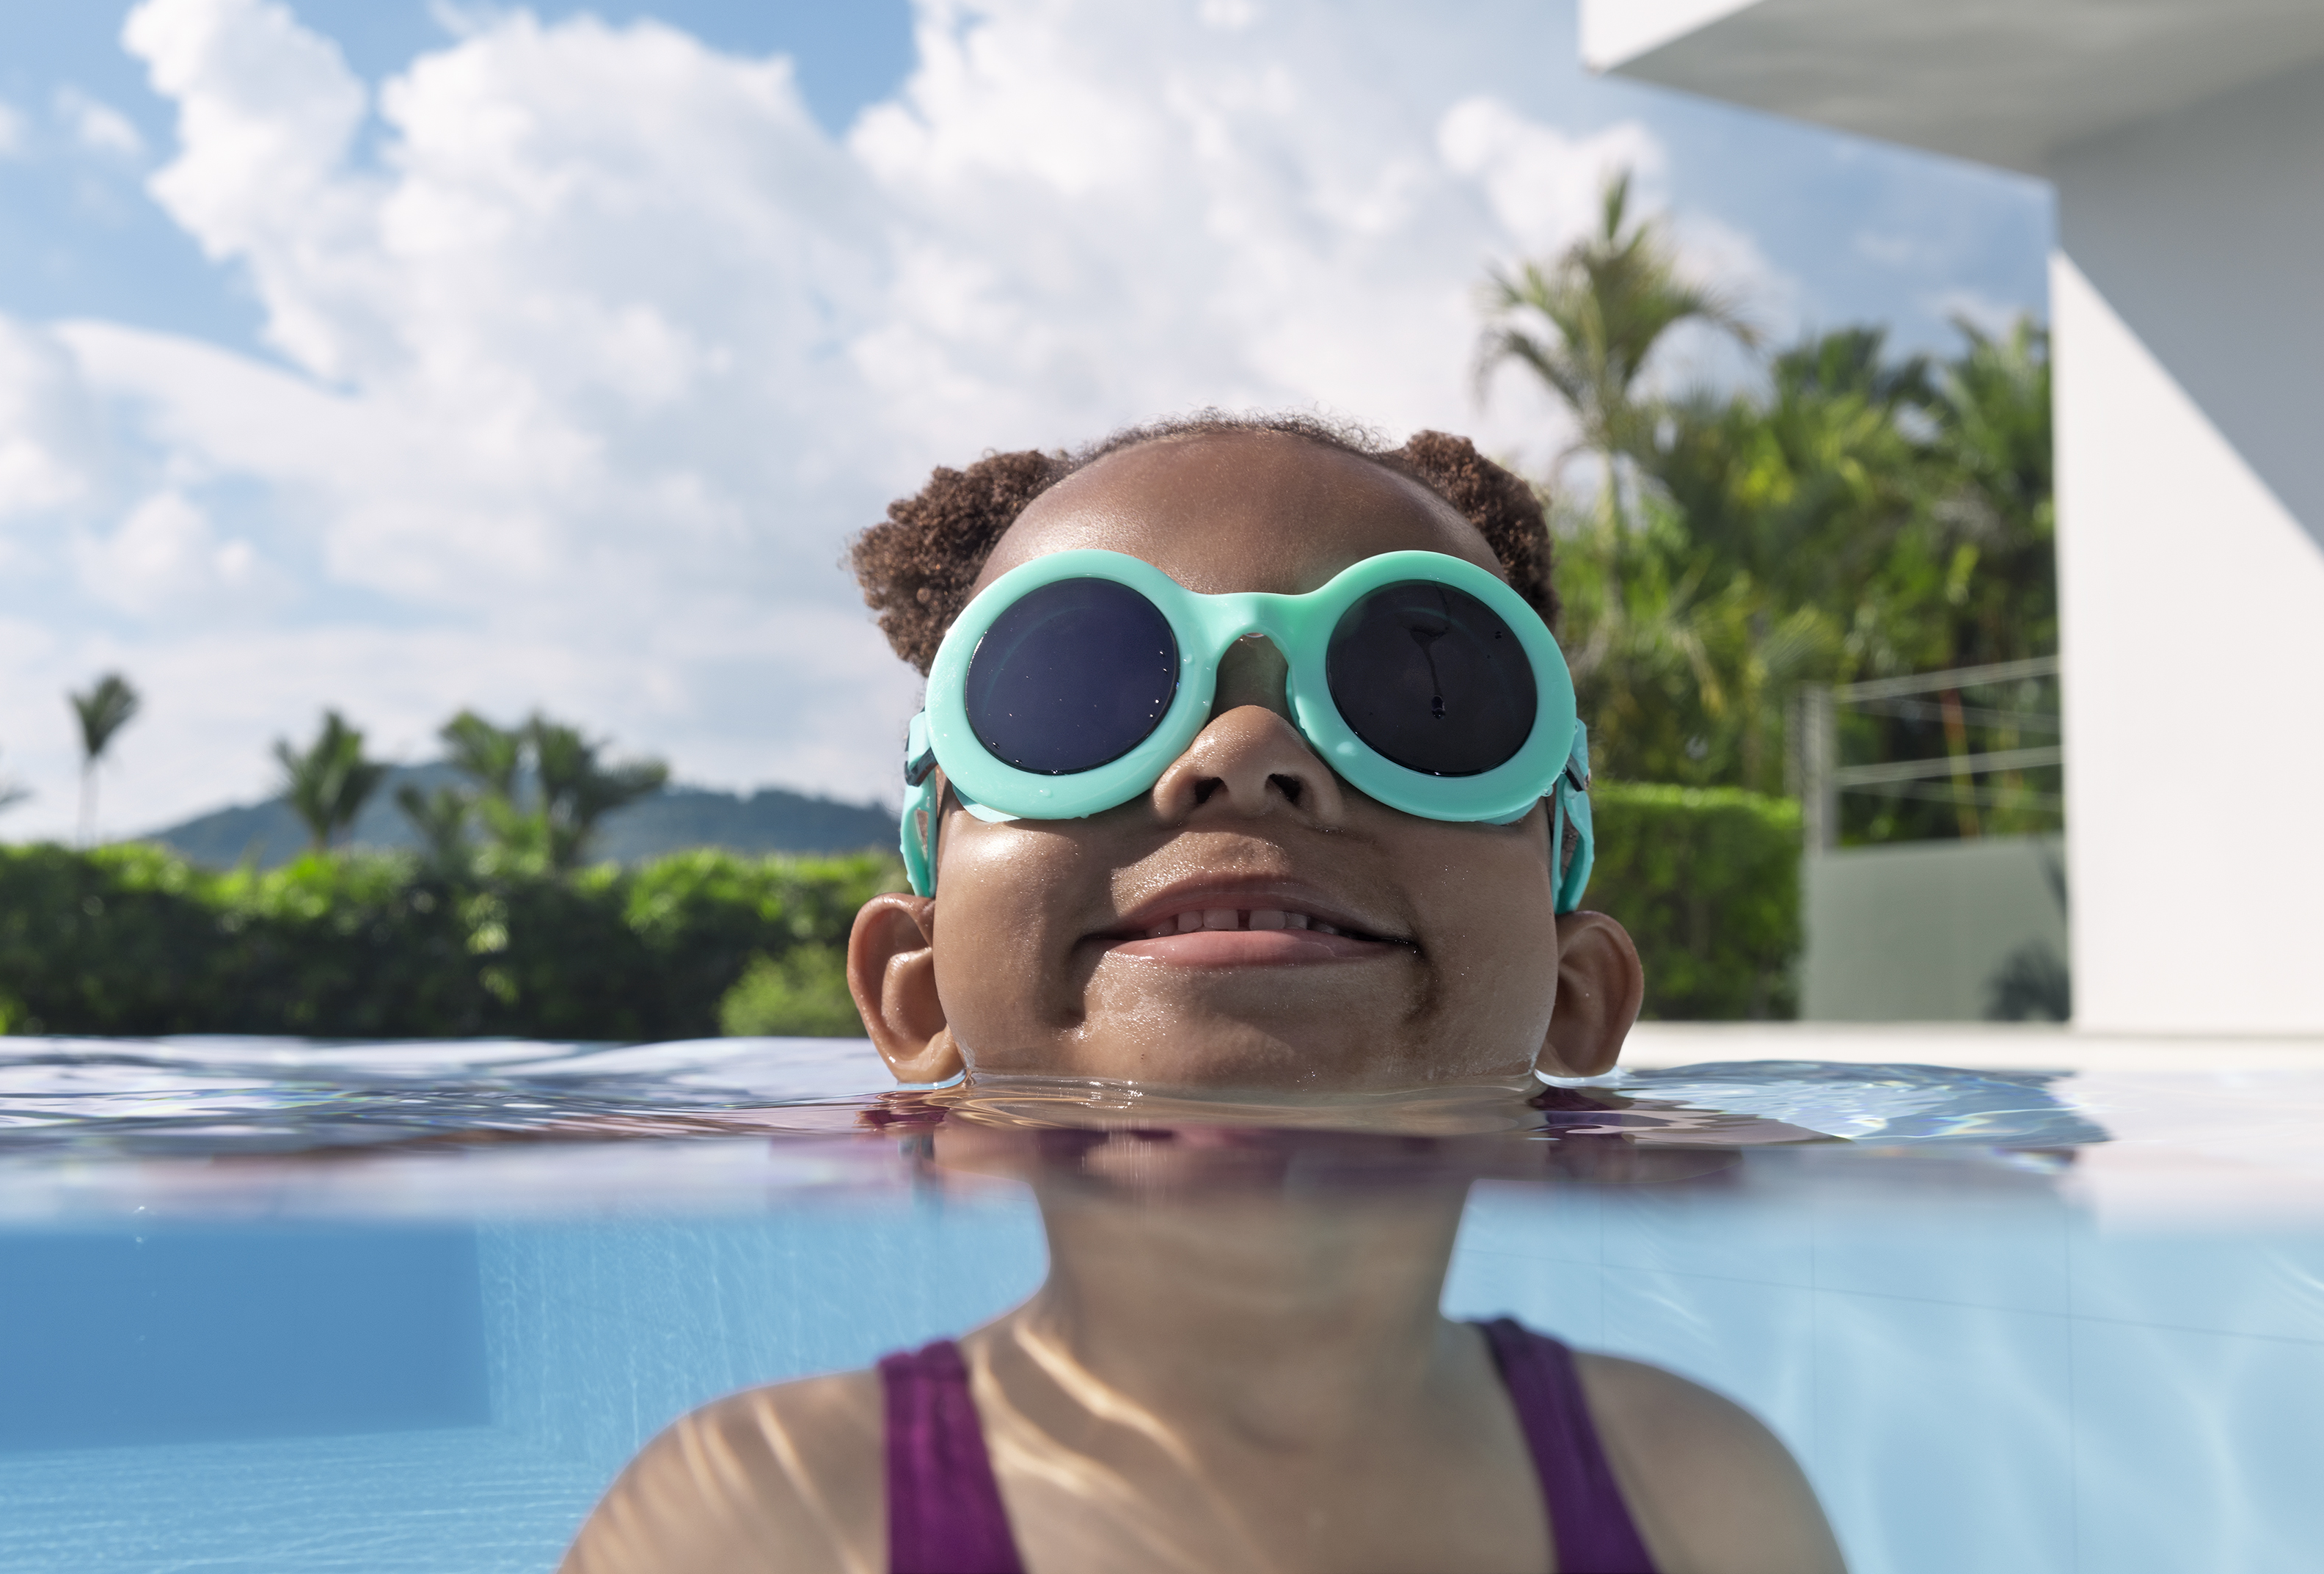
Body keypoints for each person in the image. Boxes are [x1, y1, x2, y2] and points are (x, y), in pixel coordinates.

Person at [562, 416, 1845, 1573]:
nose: (1242, 759)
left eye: (1416, 694)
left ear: (1578, 996)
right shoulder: (754, 1523)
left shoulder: (1699, 1498)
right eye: (1075, 695)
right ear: (915, 989)